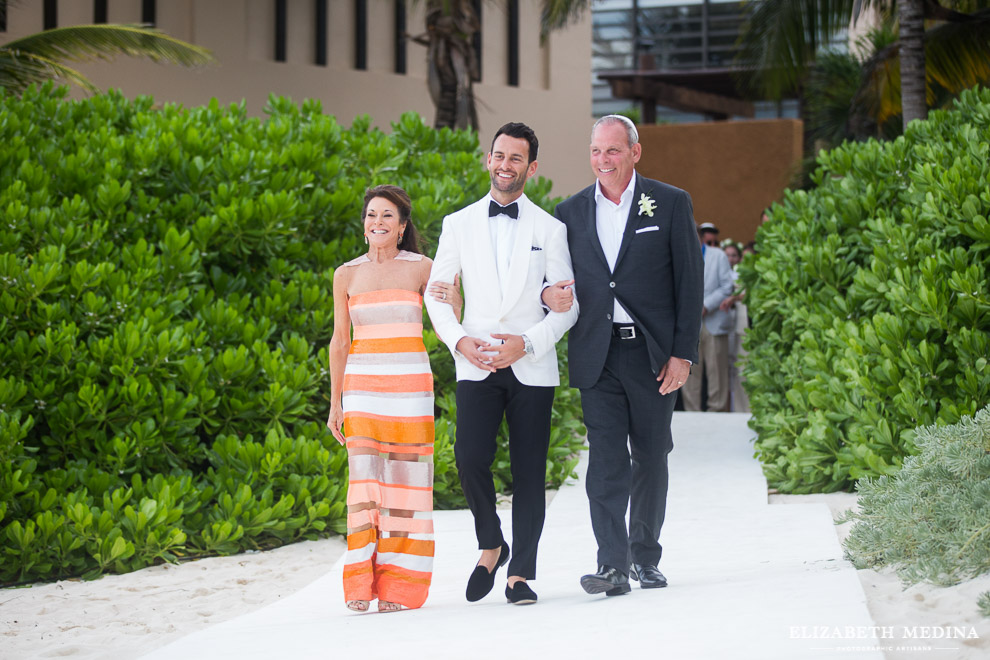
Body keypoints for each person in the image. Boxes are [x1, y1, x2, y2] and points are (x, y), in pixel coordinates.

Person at [424, 122, 578, 606]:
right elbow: (437, 295)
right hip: (476, 363)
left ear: (531, 167)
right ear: (487, 160)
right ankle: (491, 542)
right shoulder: (457, 224)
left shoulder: (551, 229)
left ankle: (521, 574)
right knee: (469, 459)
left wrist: (527, 344)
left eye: (516, 158)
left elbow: (568, 304)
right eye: (499, 156)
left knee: (530, 471)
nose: (505, 165)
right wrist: (459, 341)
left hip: (531, 366)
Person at [549, 114, 703, 597]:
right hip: (598, 353)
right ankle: (612, 564)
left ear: (635, 152)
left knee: (652, 456)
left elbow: (689, 284)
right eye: (596, 152)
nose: (603, 161)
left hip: (653, 355)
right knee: (606, 460)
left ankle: (645, 556)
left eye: (613, 151)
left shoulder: (672, 203)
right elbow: (555, 280)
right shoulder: (568, 212)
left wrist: (683, 353)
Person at [327, 184, 461, 613]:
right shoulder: (346, 274)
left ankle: (400, 589)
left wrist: (453, 294)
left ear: (402, 226)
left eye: (387, 216)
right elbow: (339, 343)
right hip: (363, 392)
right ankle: (360, 587)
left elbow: (446, 325)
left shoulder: (424, 267)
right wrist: (336, 403)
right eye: (371, 215)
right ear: (363, 224)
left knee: (406, 487)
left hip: (410, 392)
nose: (377, 222)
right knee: (364, 486)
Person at [681, 223, 734, 412]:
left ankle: (717, 411)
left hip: (712, 320)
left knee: (716, 371)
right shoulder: (679, 255)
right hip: (688, 324)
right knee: (689, 371)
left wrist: (705, 305)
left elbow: (727, 287)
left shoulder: (717, 255)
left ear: (700, 236)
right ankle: (692, 412)